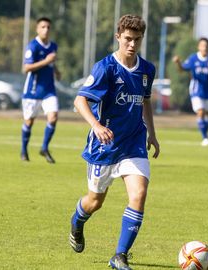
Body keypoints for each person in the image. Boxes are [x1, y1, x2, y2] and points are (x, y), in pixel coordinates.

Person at [68, 15, 160, 270]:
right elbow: (80, 101)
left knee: (139, 195)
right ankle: (77, 221)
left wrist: (152, 133)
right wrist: (96, 126)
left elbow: (145, 101)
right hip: (104, 147)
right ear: (118, 37)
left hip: (134, 143)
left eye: (137, 40)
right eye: (128, 39)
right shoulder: (105, 68)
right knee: (95, 202)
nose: (132, 44)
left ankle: (119, 255)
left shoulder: (147, 69)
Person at [20, 17, 61, 163]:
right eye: (43, 27)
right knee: (29, 122)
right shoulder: (33, 46)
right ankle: (24, 150)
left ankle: (44, 148)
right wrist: (47, 61)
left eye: (48, 27)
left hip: (49, 90)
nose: (46, 29)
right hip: (33, 90)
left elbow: (51, 63)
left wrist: (56, 70)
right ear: (37, 29)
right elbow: (26, 68)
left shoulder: (53, 46)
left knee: (53, 117)